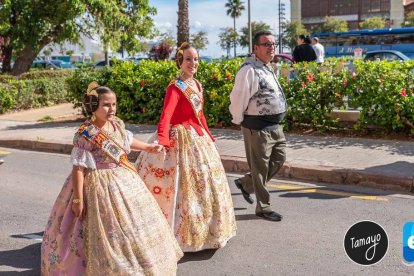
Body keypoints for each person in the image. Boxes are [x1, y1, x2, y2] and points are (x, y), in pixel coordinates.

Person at [41, 82, 182, 275]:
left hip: (123, 178)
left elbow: (127, 141)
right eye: (106, 105)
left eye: (114, 104)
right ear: (93, 107)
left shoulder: (116, 125)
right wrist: (78, 199)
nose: (112, 109)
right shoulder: (86, 133)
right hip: (96, 184)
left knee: (130, 228)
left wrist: (148, 147)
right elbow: (79, 169)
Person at [135, 42, 236, 252]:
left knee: (205, 186)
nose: (193, 63)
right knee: (181, 187)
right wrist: (163, 141)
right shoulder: (175, 87)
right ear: (180, 62)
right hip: (179, 138)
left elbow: (199, 116)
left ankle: (208, 231)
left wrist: (208, 135)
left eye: (196, 59)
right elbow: (166, 116)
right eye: (188, 59)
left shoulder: (198, 85)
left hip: (198, 139)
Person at [229, 31, 287, 222]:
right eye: (267, 44)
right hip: (257, 128)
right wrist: (241, 122)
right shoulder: (248, 70)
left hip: (275, 126)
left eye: (273, 44)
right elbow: (238, 99)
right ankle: (264, 208)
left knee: (278, 161)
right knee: (260, 169)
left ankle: (246, 184)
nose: (272, 48)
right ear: (256, 48)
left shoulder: (267, 67)